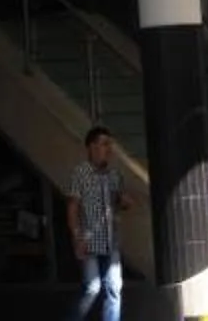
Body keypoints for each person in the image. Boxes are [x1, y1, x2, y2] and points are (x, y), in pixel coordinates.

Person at [64, 125, 130, 321]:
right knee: (92, 287)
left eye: (110, 145)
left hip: (111, 240)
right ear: (91, 147)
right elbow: (72, 207)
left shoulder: (114, 175)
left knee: (114, 287)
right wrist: (76, 237)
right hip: (88, 240)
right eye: (104, 144)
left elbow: (118, 202)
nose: (108, 150)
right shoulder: (80, 173)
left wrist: (124, 202)